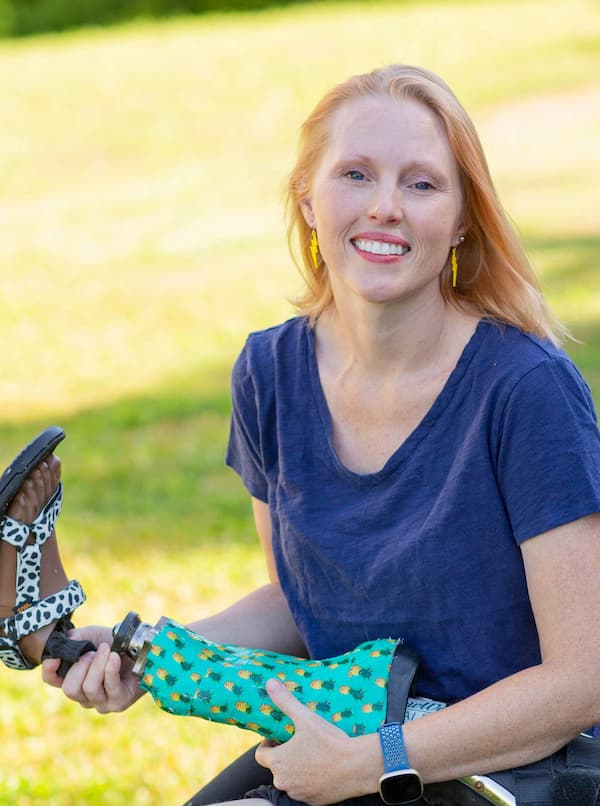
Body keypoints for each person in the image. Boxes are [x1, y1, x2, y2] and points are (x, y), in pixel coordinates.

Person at [3, 64, 600, 806]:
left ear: (462, 220)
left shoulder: (524, 388)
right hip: (348, 733)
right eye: (355, 174)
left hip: (503, 765)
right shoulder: (270, 372)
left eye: (421, 184)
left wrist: (374, 762)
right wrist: (147, 651)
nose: (386, 207)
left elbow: (582, 681)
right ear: (307, 200)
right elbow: (303, 597)